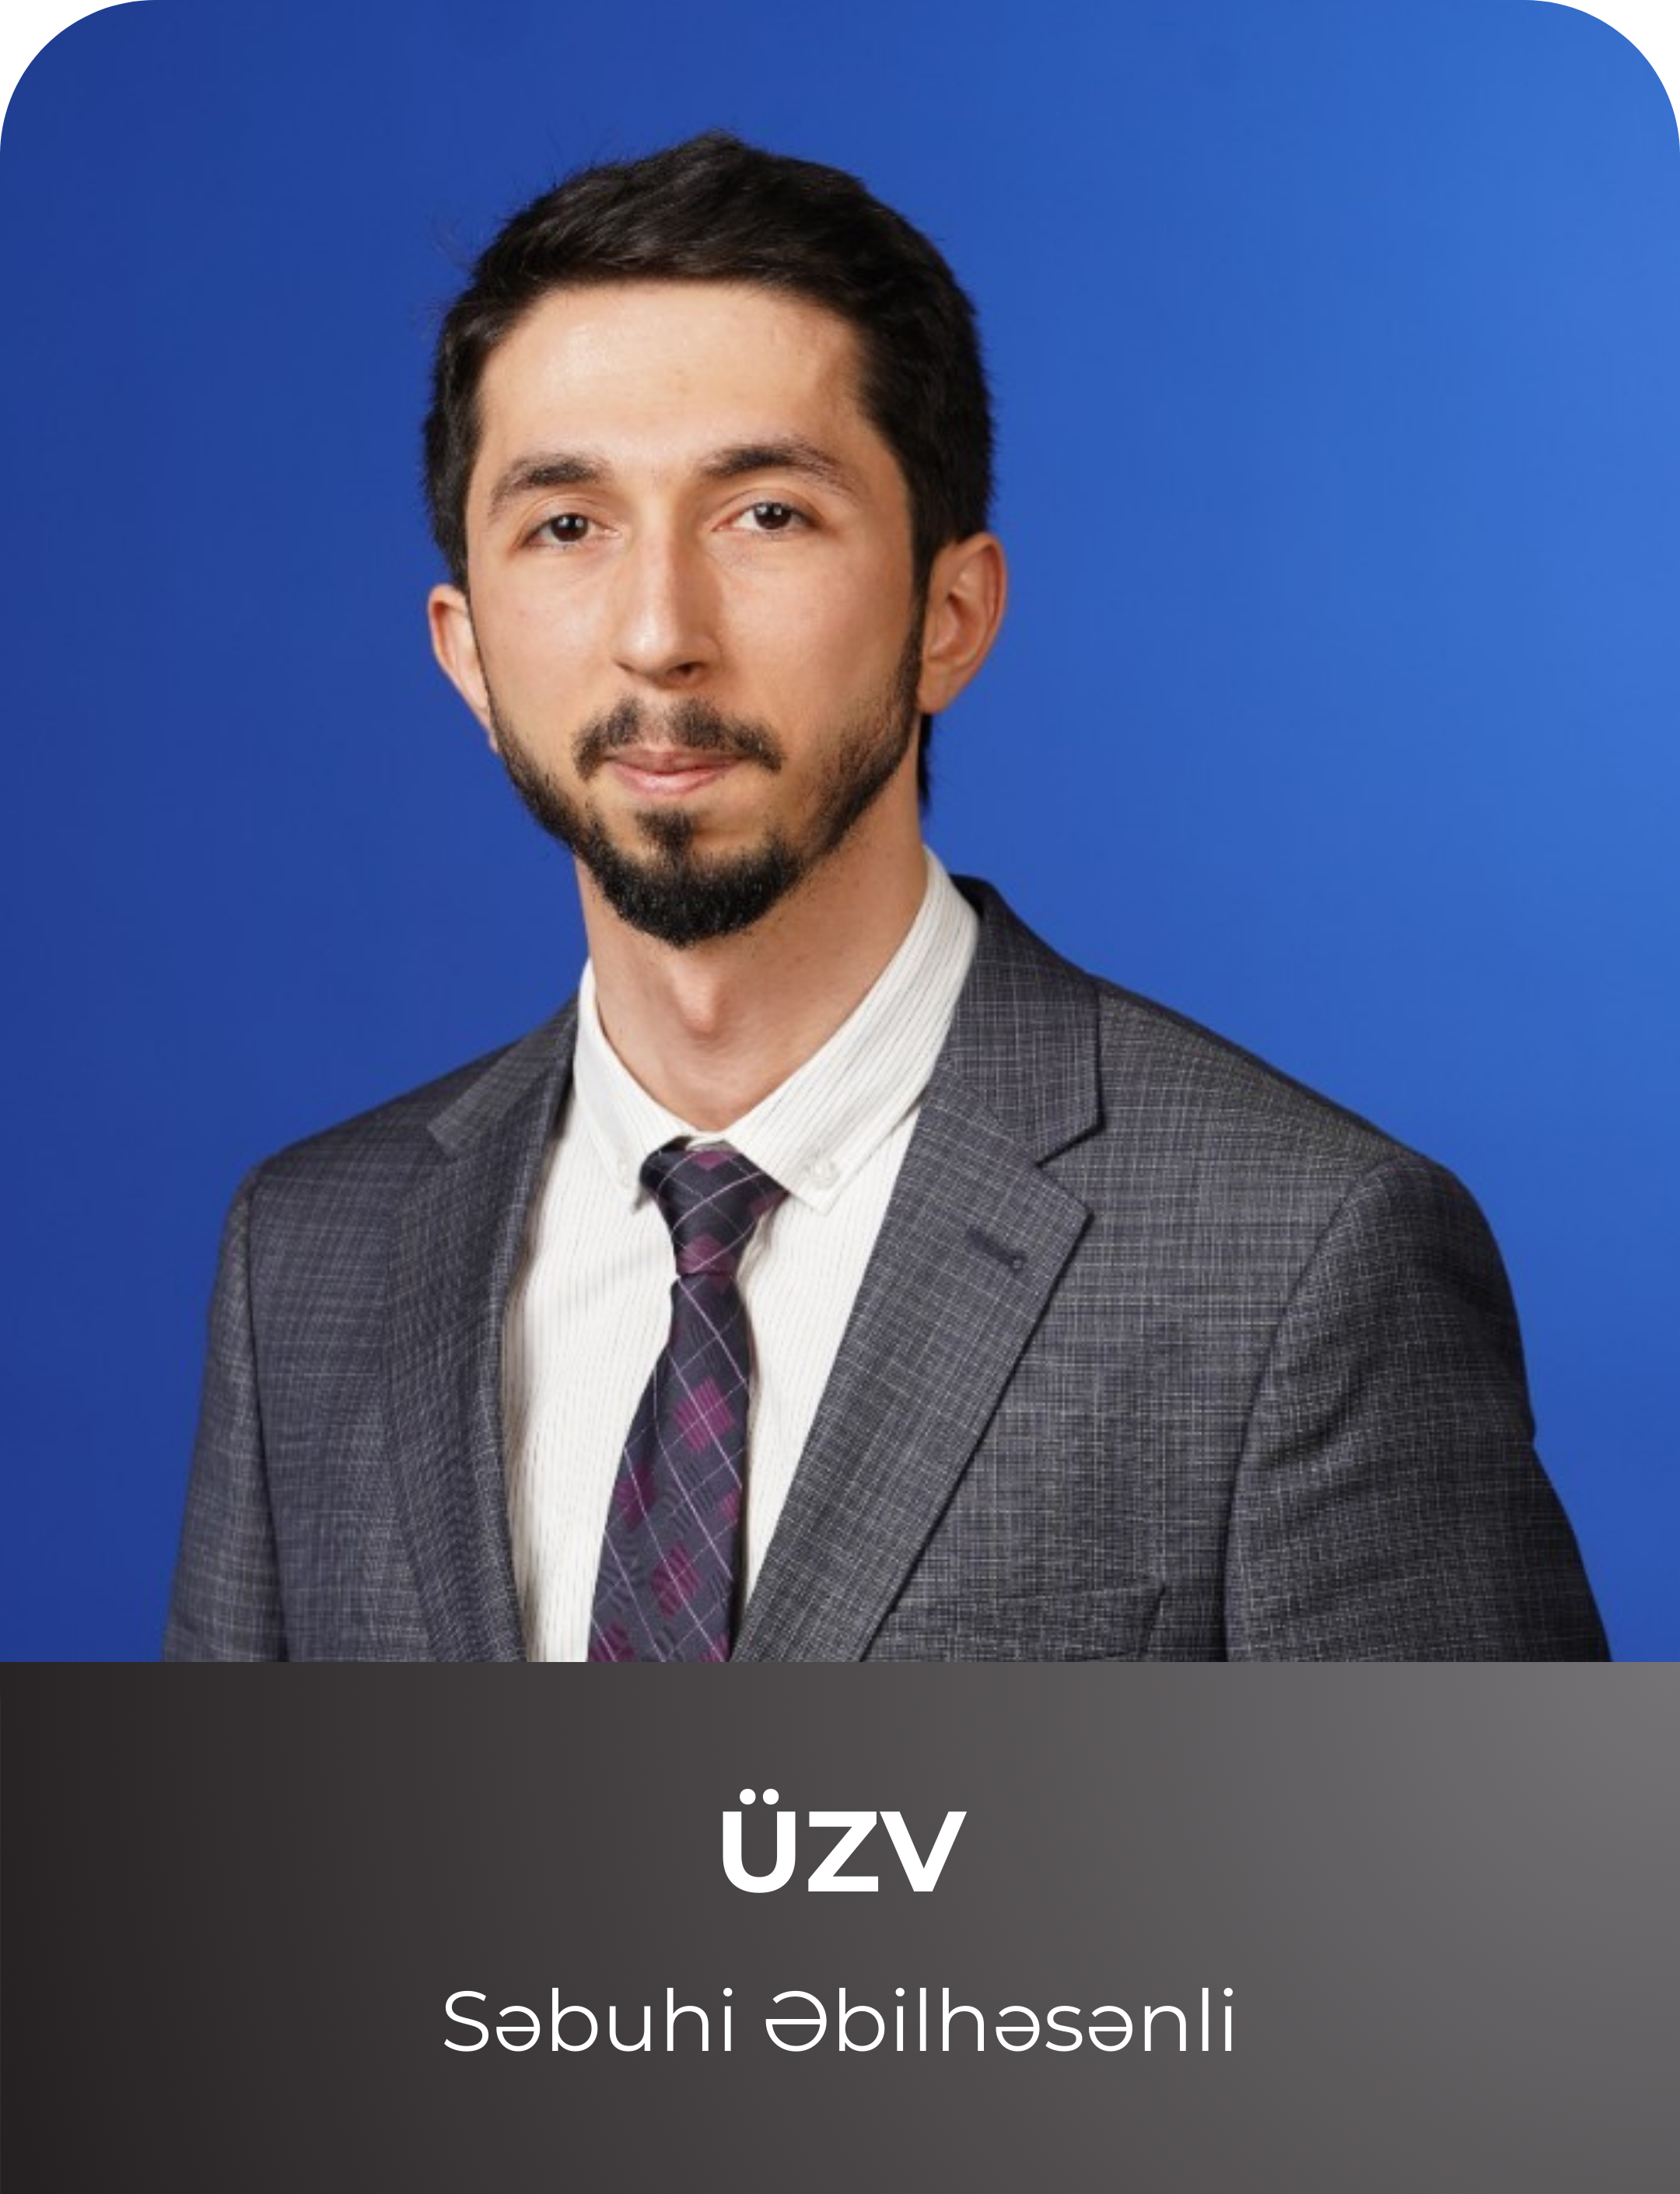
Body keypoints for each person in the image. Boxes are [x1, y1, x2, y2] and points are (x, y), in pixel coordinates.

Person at [164, 131, 1608, 1662]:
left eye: (766, 514)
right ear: (467, 650)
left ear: (950, 616)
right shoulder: (308, 1259)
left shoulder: (1303, 1258)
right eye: (567, 526)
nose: (659, 632)